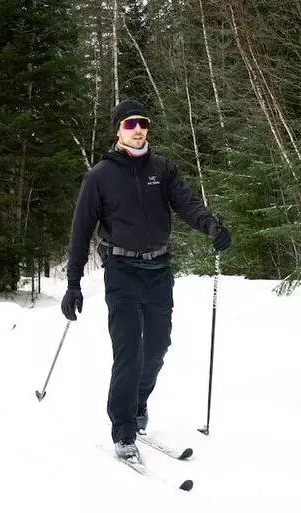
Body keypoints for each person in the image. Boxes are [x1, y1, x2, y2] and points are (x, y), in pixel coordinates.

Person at [62, 100, 231, 460]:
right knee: (129, 351)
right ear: (118, 130)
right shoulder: (99, 177)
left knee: (157, 346)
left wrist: (210, 225)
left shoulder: (162, 169)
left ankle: (138, 403)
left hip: (158, 271)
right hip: (121, 272)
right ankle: (123, 428)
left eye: (143, 123)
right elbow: (80, 233)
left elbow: (187, 204)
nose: (138, 129)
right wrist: (72, 283)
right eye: (129, 124)